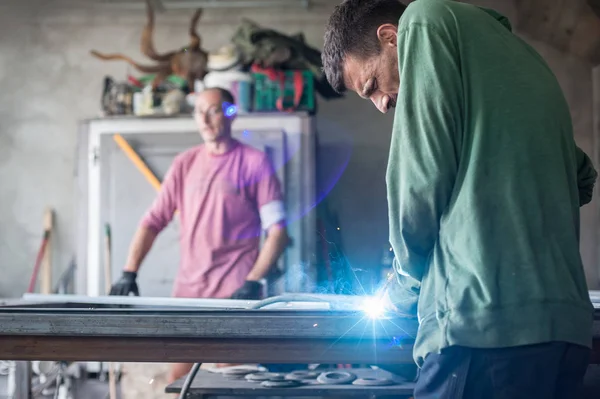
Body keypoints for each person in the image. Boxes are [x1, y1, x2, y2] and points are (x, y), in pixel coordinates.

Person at [322, 0, 597, 398]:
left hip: (482, 332)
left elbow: (419, 181)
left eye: (371, 86)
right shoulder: (517, 56)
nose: (382, 103)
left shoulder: (424, 19)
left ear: (390, 37)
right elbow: (582, 176)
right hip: (564, 331)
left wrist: (400, 290)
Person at [109, 87, 290, 383]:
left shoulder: (255, 163)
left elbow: (278, 233)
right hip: (188, 296)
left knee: (231, 383)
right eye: (198, 112)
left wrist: (252, 281)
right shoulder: (184, 163)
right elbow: (153, 221)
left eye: (214, 110)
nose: (204, 119)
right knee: (180, 383)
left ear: (230, 114)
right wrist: (129, 272)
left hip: (235, 296)